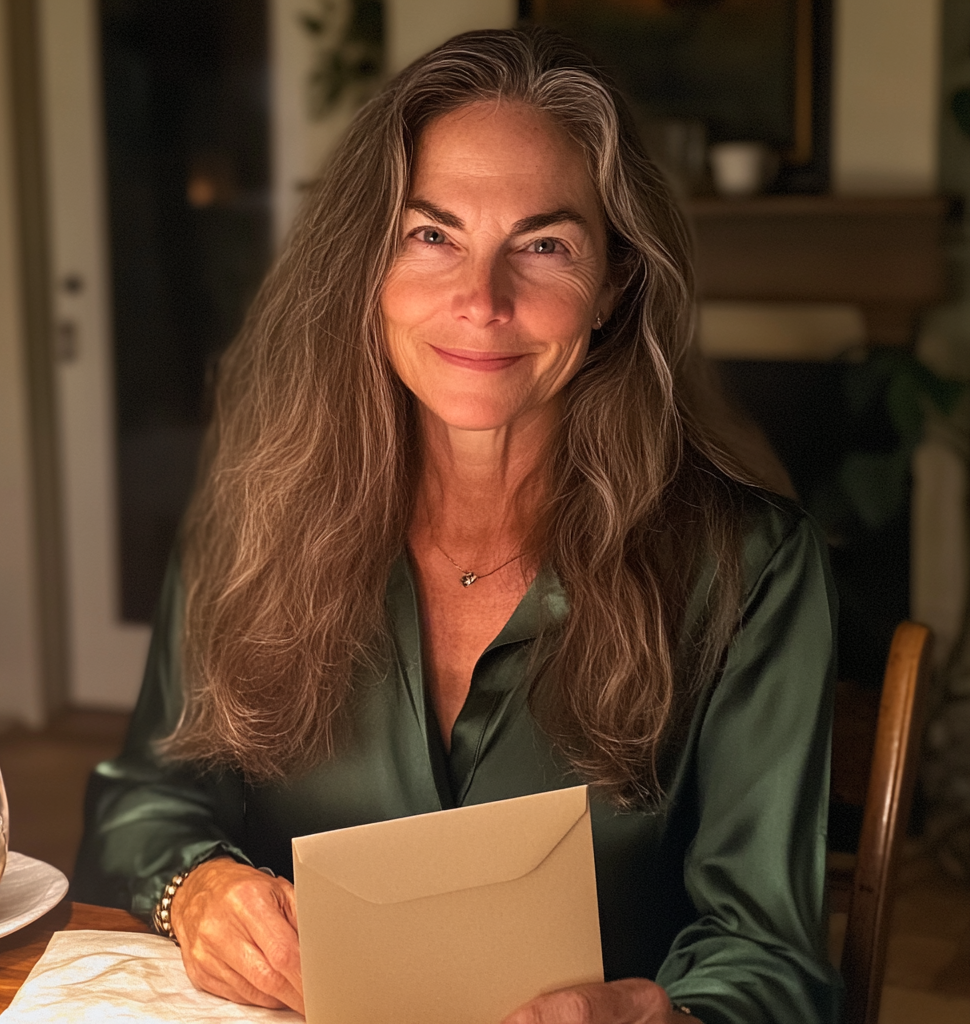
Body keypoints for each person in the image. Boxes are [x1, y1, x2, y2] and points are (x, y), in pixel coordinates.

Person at [72, 27, 841, 1024]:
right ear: (369, 265)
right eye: (431, 234)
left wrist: (660, 1015)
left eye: (544, 244)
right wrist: (197, 889)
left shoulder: (749, 571)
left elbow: (769, 956)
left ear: (613, 282)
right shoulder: (250, 522)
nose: (481, 300)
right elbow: (145, 797)